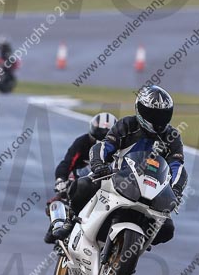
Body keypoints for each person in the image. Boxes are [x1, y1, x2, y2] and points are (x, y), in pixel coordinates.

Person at [54, 86, 187, 245]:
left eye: (162, 114)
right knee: (81, 186)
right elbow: (105, 146)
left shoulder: (172, 137)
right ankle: (70, 220)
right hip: (117, 178)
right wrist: (98, 164)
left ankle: (135, 247)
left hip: (151, 189)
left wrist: (176, 189)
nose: (158, 119)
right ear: (141, 109)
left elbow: (177, 166)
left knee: (166, 229)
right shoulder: (128, 125)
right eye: (153, 113)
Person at [43, 112, 118, 243]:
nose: (103, 137)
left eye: (107, 134)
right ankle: (60, 224)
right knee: (59, 199)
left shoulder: (119, 148)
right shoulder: (82, 142)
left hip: (107, 186)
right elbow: (67, 162)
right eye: (100, 132)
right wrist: (61, 179)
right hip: (79, 181)